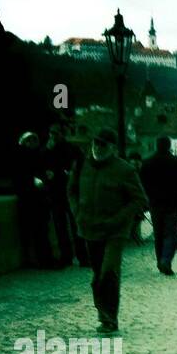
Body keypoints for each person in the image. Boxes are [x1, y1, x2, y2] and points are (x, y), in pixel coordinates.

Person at [68, 127, 148, 332]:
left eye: (102, 144)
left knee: (109, 272)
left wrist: (119, 219)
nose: (97, 147)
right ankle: (102, 314)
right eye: (95, 143)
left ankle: (110, 318)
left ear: (112, 148)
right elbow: (71, 191)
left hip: (115, 232)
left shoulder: (124, 169)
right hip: (89, 229)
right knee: (97, 275)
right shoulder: (81, 165)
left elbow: (139, 200)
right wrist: (78, 213)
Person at [139, 136, 177, 275]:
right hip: (174, 202)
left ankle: (160, 261)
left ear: (156, 145)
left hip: (155, 203)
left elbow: (142, 184)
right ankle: (166, 260)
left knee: (158, 233)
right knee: (171, 233)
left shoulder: (147, 163)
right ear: (169, 146)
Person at [13, 131, 54, 268]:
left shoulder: (36, 156)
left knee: (40, 231)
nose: (31, 143)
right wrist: (33, 180)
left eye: (33, 141)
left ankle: (43, 260)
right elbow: (20, 177)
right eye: (28, 141)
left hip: (38, 199)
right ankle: (41, 260)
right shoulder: (21, 156)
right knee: (35, 231)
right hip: (29, 199)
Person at [42, 124, 82, 266]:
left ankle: (82, 256)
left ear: (62, 134)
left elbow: (77, 168)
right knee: (60, 226)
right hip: (56, 192)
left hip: (69, 191)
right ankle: (67, 256)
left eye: (55, 133)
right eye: (51, 133)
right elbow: (42, 167)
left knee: (75, 225)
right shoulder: (48, 150)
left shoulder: (71, 149)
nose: (52, 136)